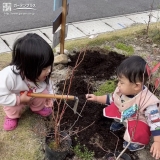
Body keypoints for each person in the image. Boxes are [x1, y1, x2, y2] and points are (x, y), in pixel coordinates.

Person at [86, 56, 160, 159]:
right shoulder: (122, 91)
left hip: (137, 119)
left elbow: (156, 122)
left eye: (121, 82)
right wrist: (97, 98)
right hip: (124, 113)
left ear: (136, 86)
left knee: (138, 130)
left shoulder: (148, 102)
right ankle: (121, 122)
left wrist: (157, 141)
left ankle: (137, 142)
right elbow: (112, 98)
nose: (118, 85)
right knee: (114, 107)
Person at [0, 33, 54, 131]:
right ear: (28, 68)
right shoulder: (8, 76)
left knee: (44, 94)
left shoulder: (44, 75)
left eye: (49, 66)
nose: (49, 70)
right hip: (16, 98)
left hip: (34, 95)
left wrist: (50, 98)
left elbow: (50, 87)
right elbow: (1, 95)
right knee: (12, 107)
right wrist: (19, 100)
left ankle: (37, 108)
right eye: (45, 68)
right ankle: (12, 116)